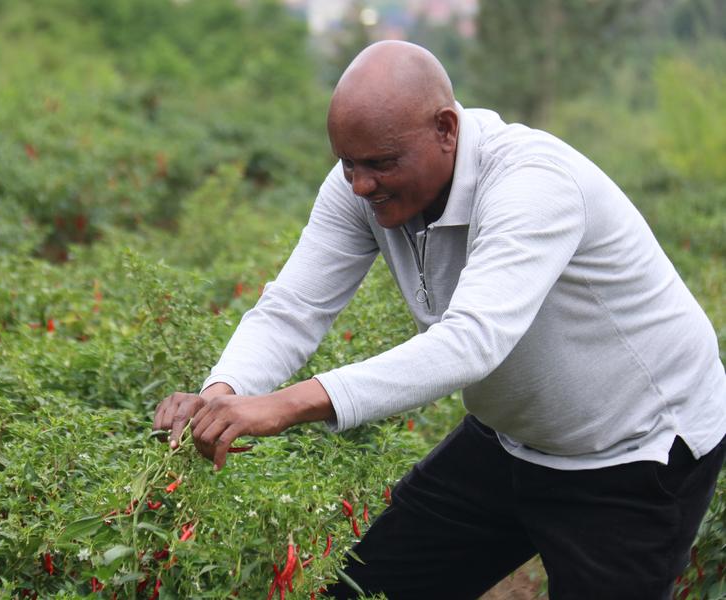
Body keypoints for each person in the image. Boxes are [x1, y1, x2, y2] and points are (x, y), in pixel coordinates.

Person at [152, 41, 725, 599]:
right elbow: (293, 307)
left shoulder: (532, 182)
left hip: (635, 451)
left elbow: (471, 342)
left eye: (379, 163)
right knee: (363, 590)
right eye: (347, 163)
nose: (359, 184)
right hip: (511, 439)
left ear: (446, 130)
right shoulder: (361, 186)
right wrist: (221, 395)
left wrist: (284, 405)